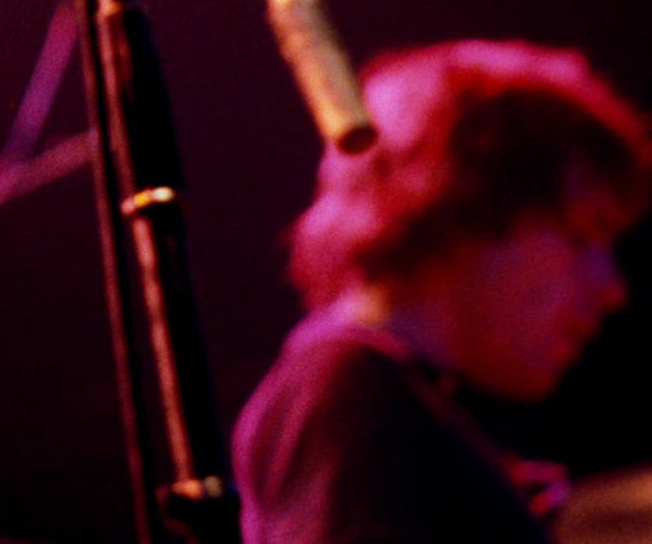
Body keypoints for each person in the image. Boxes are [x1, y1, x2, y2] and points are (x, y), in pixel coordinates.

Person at [234, 40, 652, 544]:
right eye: (582, 234)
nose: (611, 288)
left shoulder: (397, 399)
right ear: (468, 208)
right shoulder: (350, 391)